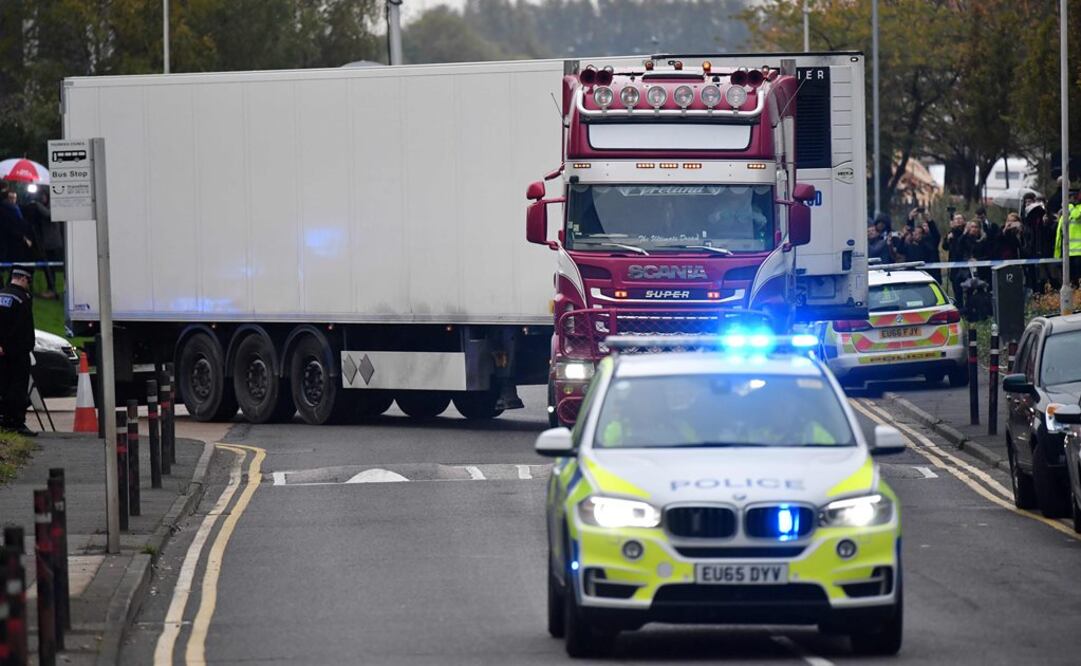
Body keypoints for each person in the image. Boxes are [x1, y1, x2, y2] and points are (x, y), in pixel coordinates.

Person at [0, 268, 36, 436]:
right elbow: (22, 328)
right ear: (23, 279)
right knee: (18, 387)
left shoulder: (2, 294)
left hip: (3, 351)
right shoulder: (23, 298)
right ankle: (17, 423)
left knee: (4, 385)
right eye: (29, 281)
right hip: (18, 351)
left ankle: (5, 420)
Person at [23, 191, 60, 298]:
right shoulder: (43, 206)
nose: (42, 198)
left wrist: (36, 204)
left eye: (43, 196)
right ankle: (50, 288)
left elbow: (49, 215)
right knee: (47, 267)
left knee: (50, 267)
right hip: (45, 241)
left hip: (52, 242)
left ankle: (52, 289)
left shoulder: (53, 206)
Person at [0, 183, 34, 282]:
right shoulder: (6, 210)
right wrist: (23, 237)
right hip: (9, 242)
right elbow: (10, 227)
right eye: (10, 197)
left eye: (14, 198)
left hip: (14, 242)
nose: (13, 200)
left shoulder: (16, 209)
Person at [1054, 192, 1081, 286]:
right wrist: (1057, 255)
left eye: (1069, 199)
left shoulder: (1078, 209)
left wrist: (1069, 206)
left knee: (1078, 280)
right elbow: (1059, 235)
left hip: (1078, 253)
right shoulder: (1064, 214)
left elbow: (1077, 216)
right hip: (1066, 254)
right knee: (1070, 282)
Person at [942, 213, 969, 307]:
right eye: (955, 219)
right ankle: (960, 308)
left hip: (965, 264)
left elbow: (961, 246)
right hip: (954, 265)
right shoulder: (952, 232)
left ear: (964, 220)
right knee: (957, 290)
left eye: (960, 218)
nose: (957, 220)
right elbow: (944, 247)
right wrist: (948, 239)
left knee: (968, 289)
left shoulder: (967, 232)